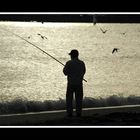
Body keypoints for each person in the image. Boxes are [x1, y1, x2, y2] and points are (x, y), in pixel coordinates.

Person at [63, 49, 86, 117]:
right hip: (79, 83)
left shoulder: (69, 63)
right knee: (79, 99)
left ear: (72, 55)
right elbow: (84, 71)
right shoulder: (82, 63)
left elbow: (65, 72)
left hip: (71, 83)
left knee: (69, 99)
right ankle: (78, 113)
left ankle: (69, 113)